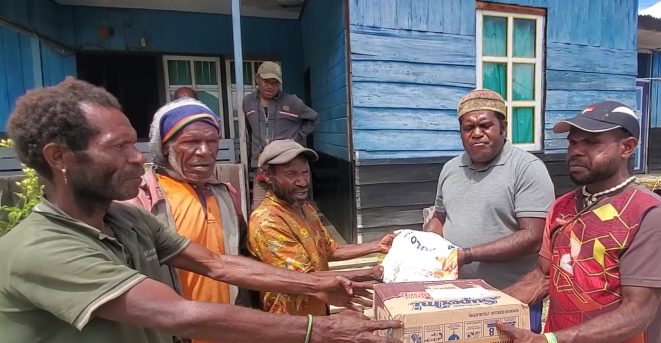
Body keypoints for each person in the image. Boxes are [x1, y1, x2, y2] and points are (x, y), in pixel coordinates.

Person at [0, 78, 400, 343]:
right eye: (118, 147)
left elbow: (219, 264)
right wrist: (321, 329)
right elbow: (178, 314)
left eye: (134, 144)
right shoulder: (43, 249)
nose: (137, 159)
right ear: (59, 157)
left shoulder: (126, 220)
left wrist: (317, 286)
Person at [498, 101, 661, 343]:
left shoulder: (651, 214)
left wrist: (551, 340)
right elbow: (542, 277)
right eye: (573, 142)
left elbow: (638, 312)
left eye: (592, 142)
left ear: (627, 147)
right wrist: (485, 304)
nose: (577, 151)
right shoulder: (561, 207)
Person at [424, 89, 555, 332]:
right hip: (456, 295)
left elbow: (533, 237)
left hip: (512, 296)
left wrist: (467, 254)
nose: (476, 134)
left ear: (503, 127)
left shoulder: (526, 168)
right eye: (468, 128)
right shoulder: (451, 169)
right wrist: (420, 247)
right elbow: (439, 219)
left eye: (485, 125)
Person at [123, 98, 248, 341]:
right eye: (191, 142)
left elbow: (240, 257)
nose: (205, 151)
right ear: (165, 147)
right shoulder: (142, 199)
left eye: (211, 141)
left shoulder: (225, 194)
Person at [248, 139, 396, 315]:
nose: (302, 181)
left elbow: (331, 250)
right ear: (268, 177)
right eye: (291, 174)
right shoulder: (267, 222)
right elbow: (305, 279)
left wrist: (377, 246)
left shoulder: (305, 208)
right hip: (290, 323)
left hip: (318, 310)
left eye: (305, 172)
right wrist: (369, 273)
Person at [243, 61, 320, 208]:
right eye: (266, 81)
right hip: (261, 164)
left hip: (287, 165)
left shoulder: (292, 102)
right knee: (259, 207)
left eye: (274, 82)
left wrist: (296, 139)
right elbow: (250, 129)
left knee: (294, 206)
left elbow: (314, 118)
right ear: (257, 79)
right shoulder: (248, 102)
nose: (269, 86)